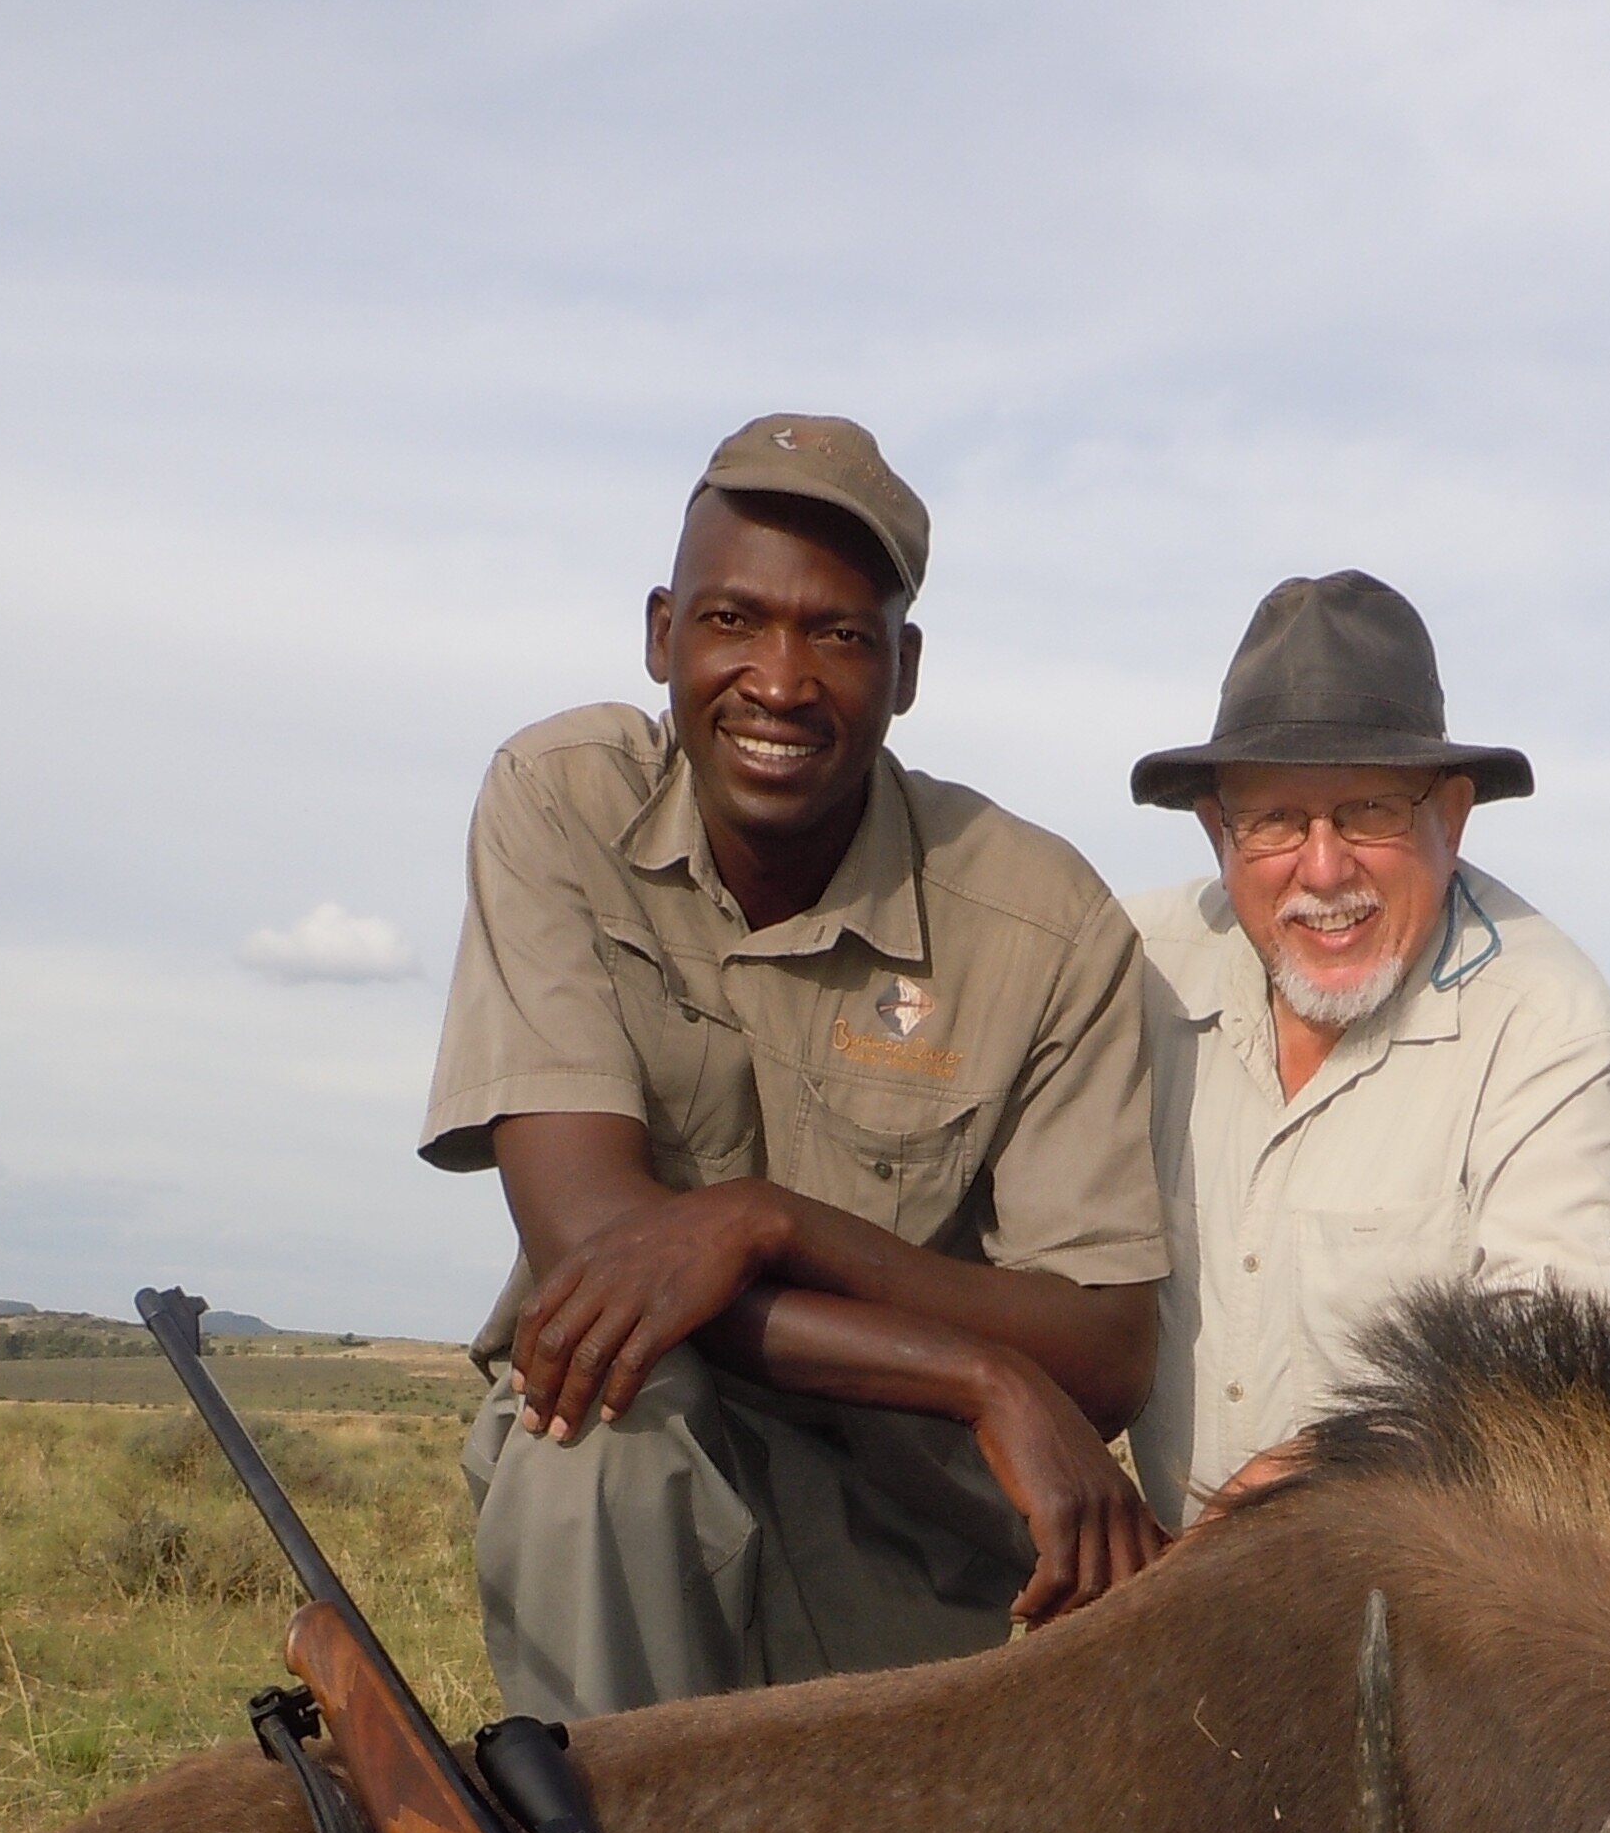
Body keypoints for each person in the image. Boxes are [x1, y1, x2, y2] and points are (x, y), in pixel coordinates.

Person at [419, 416, 1170, 1717]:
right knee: (592, 1427)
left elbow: (1106, 1346)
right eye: (734, 622)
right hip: (635, 1478)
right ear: (663, 634)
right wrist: (983, 1375)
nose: (780, 679)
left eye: (837, 635)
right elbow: (600, 1263)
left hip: (913, 1542)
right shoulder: (559, 803)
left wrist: (760, 1225)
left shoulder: (1042, 919)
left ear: (905, 670)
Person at [1118, 570, 1610, 1523]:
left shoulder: (1550, 1027)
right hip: (1158, 1601)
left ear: (1451, 817)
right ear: (1218, 829)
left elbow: (1561, 1391)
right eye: (1275, 819)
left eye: (1371, 811)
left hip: (1421, 1625)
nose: (1323, 869)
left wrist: (1323, 1477)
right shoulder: (1127, 972)